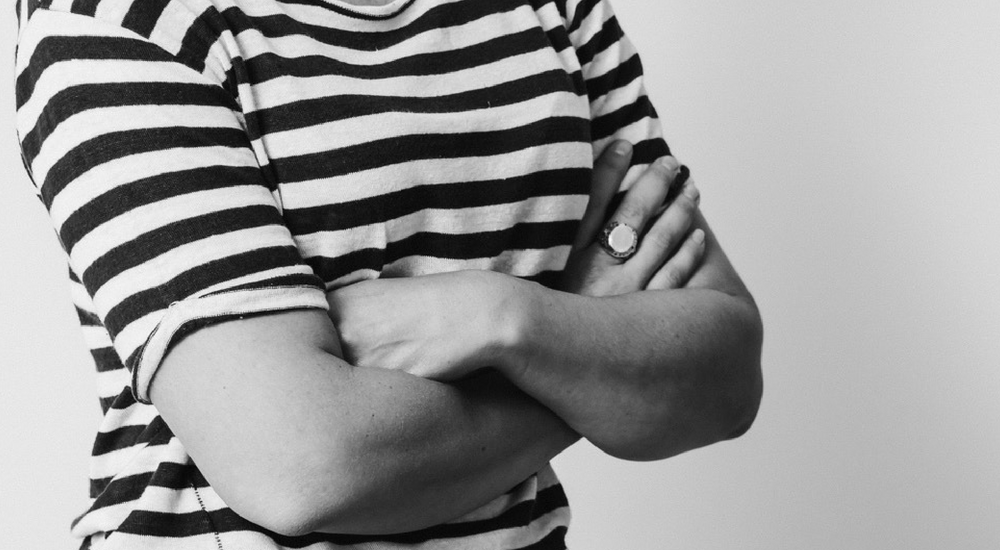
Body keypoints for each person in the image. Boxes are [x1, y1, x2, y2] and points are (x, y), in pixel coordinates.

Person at [13, 0, 762, 547]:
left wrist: (507, 319)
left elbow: (724, 379)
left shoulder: (556, 11)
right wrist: (586, 347)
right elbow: (303, 467)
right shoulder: (119, 21)